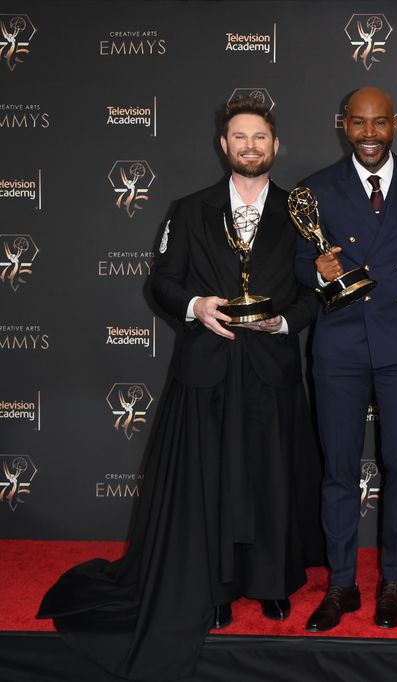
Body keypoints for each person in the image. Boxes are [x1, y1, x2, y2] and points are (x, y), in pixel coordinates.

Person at [37, 95, 324, 681]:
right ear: (224, 146)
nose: (250, 146)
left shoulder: (301, 210)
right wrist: (196, 305)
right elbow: (162, 283)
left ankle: (270, 583)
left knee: (270, 479)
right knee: (210, 483)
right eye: (239, 137)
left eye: (260, 138)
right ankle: (215, 589)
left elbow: (317, 286)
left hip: (270, 368)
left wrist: (285, 321)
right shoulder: (188, 209)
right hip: (207, 369)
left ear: (276, 146)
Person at [296, 86, 397, 632]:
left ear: (395, 125)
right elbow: (295, 267)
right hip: (338, 345)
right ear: (343, 125)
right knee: (338, 468)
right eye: (358, 123)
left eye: (379, 123)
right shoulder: (314, 190)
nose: (369, 134)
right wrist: (318, 272)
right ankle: (341, 584)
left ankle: (391, 581)